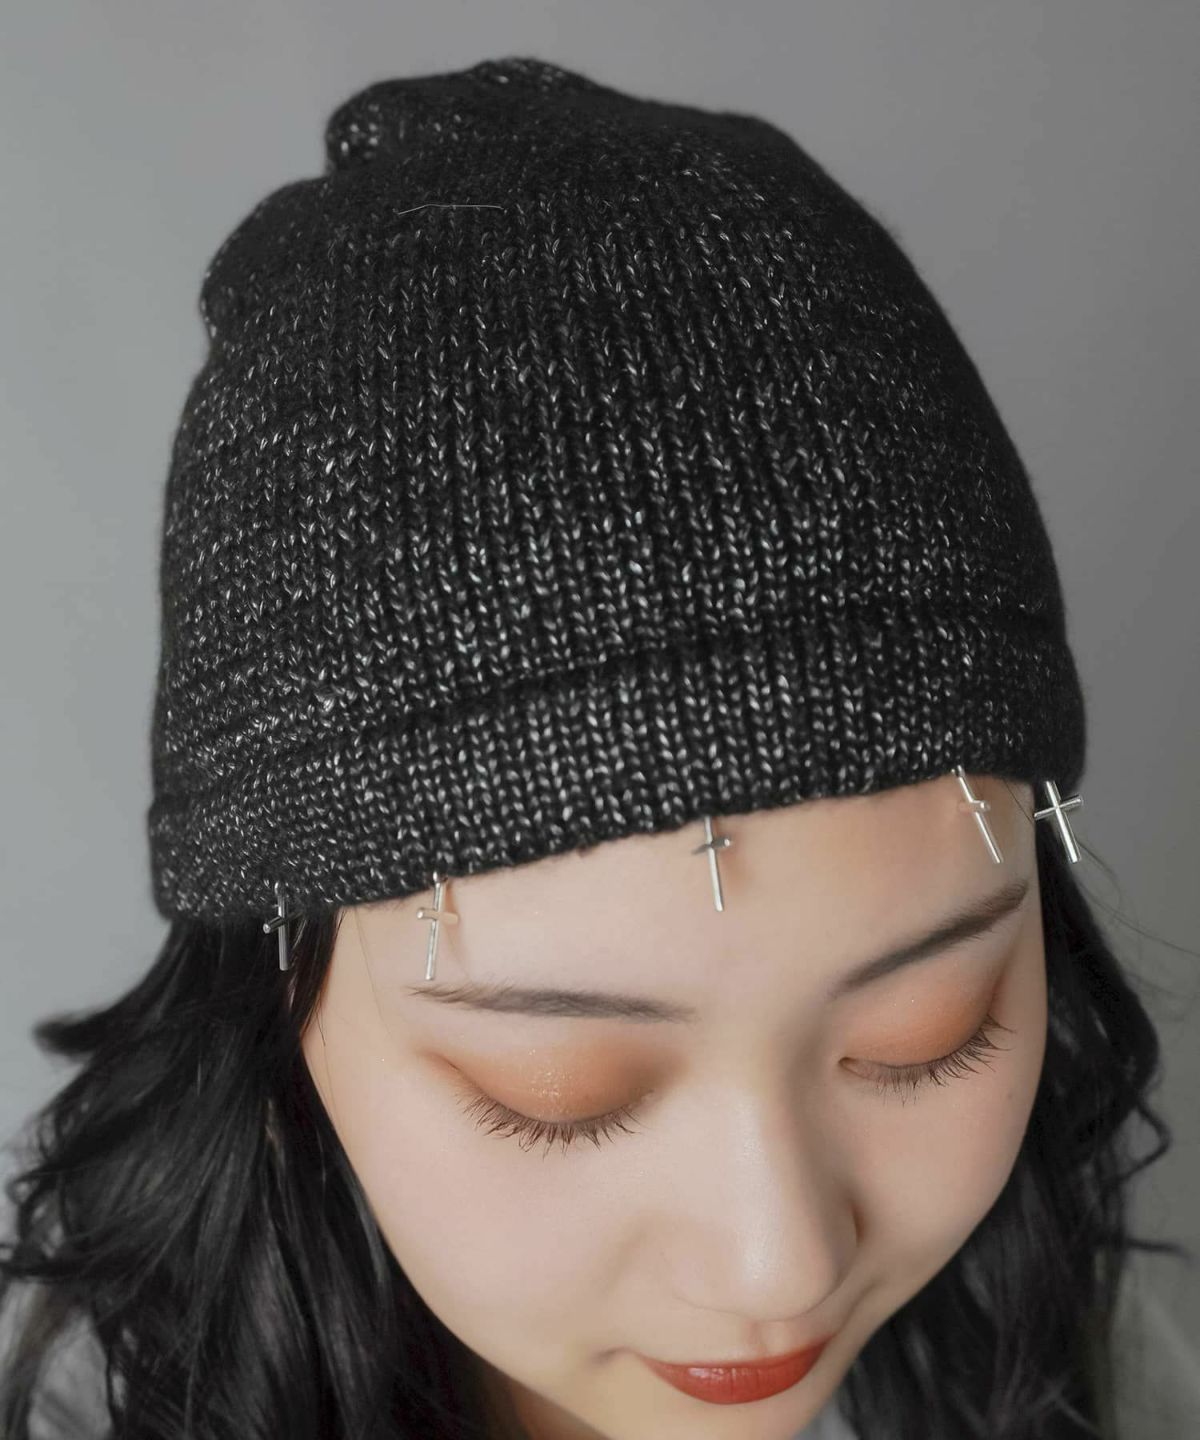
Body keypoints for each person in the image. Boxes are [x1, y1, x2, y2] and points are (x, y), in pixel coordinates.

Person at [0, 54, 1188, 1440]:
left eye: (930, 1035)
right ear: (275, 1029)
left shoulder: (1093, 1366)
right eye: (556, 1099)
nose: (780, 1266)